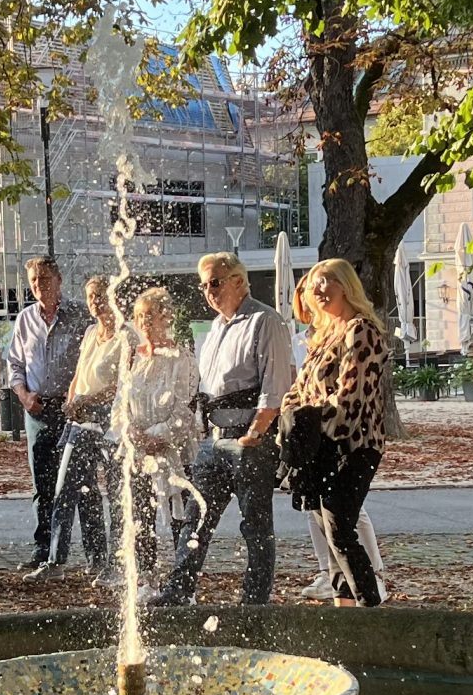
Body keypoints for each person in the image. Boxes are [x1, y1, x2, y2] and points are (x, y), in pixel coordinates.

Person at [150, 252, 294, 607]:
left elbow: (275, 387)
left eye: (215, 282)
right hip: (213, 441)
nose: (208, 291)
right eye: (204, 285)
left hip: (248, 438)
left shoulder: (265, 321)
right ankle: (179, 590)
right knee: (196, 518)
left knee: (256, 526)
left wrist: (256, 433)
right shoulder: (214, 328)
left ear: (239, 282)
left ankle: (255, 599)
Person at [280, 260, 391, 607]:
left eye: (328, 282)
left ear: (346, 286)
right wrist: (291, 415)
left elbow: (350, 398)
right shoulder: (324, 333)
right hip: (319, 447)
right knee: (328, 531)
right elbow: (297, 390)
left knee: (340, 527)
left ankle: (368, 606)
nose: (320, 290)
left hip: (354, 445)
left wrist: (309, 418)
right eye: (315, 284)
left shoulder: (360, 330)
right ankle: (343, 608)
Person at [29, 274, 123, 583]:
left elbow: (123, 384)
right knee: (66, 490)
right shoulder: (90, 332)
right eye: (91, 297)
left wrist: (88, 398)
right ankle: (56, 560)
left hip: (108, 423)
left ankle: (109, 562)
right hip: (79, 420)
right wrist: (72, 401)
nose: (96, 303)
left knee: (113, 494)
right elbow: (79, 373)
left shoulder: (127, 336)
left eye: (101, 296)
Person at [3, 256, 91, 571]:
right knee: (43, 484)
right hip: (38, 410)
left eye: (45, 279)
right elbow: (14, 364)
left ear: (59, 280)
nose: (40, 286)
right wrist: (24, 396)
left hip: (73, 410)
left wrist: (78, 396)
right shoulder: (26, 319)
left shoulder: (80, 315)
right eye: (34, 282)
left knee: (82, 483)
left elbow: (91, 360)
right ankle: (45, 550)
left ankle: (95, 554)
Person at [113, 286, 201, 586]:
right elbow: (118, 407)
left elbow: (186, 410)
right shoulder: (131, 359)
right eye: (139, 317)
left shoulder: (181, 358)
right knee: (140, 518)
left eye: (150, 316)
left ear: (166, 317)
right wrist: (132, 433)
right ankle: (146, 577)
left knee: (181, 519)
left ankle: (182, 582)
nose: (144, 323)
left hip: (174, 453)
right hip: (138, 454)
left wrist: (157, 436)